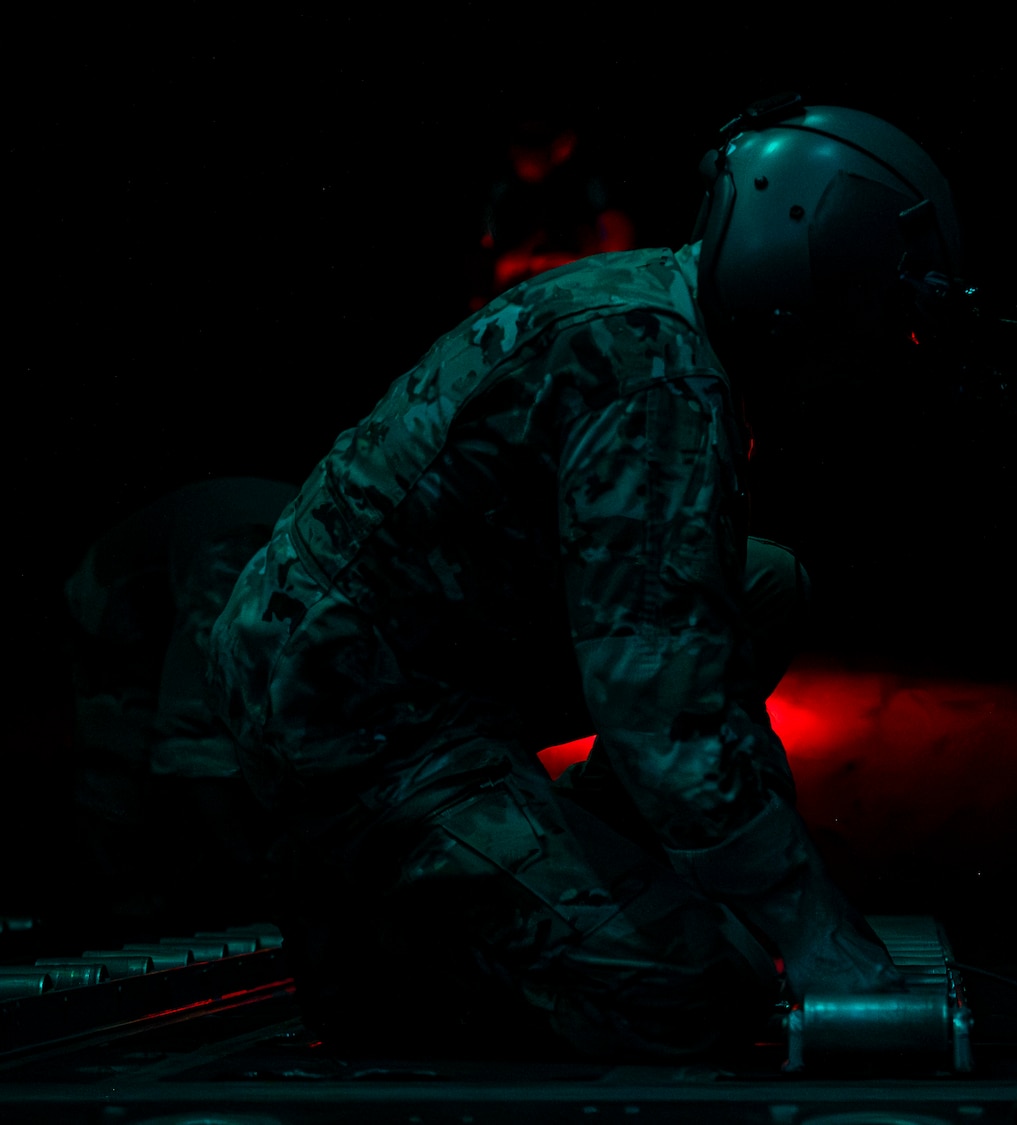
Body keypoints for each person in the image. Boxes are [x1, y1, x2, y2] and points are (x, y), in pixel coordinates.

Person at [206, 97, 965, 1058]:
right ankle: (394, 924)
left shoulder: (668, 309)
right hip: (357, 722)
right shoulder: (657, 378)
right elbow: (670, 714)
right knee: (704, 989)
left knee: (764, 585)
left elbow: (682, 630)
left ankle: (562, 863)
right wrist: (818, 937)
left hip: (407, 657)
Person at [64, 477, 297, 931]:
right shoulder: (236, 561)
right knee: (124, 771)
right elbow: (191, 739)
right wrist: (255, 868)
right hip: (113, 618)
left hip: (177, 586)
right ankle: (125, 918)